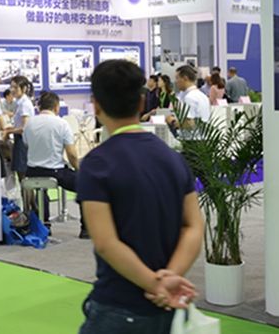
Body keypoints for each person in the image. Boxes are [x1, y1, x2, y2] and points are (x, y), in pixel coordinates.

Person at [77, 60, 203, 333]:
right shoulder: (173, 159)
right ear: (141, 102)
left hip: (118, 305)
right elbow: (194, 226)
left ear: (96, 105)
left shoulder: (96, 164)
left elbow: (106, 243)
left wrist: (155, 285)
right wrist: (171, 277)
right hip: (168, 308)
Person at [23, 91, 87, 238]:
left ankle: (44, 226)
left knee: (41, 191)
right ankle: (86, 228)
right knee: (85, 184)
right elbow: (72, 154)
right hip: (55, 171)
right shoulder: (61, 124)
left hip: (32, 171)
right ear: (56, 107)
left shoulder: (29, 123)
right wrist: (78, 169)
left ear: (39, 107)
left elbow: (27, 144)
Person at [2, 76, 34, 183]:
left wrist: (9, 131)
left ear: (24, 88)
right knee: (21, 175)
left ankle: (28, 195)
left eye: (15, 87)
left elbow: (24, 128)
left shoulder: (25, 104)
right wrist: (10, 129)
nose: (12, 90)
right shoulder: (19, 102)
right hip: (19, 139)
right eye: (11, 87)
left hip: (23, 141)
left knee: (23, 175)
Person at [170, 65, 211, 130]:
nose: (176, 81)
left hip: (192, 135)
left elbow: (189, 123)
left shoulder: (189, 98)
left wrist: (173, 122)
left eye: (177, 78)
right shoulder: (202, 96)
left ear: (185, 78)